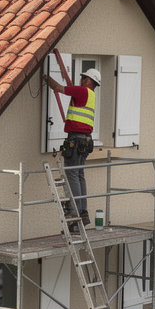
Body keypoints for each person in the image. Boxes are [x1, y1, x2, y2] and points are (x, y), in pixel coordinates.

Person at [44, 67, 101, 224]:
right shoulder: (91, 95)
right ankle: (83, 211)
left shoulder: (82, 91)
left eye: (84, 78)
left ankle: (75, 212)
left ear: (88, 81)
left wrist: (46, 77)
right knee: (80, 175)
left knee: (72, 174)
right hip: (86, 140)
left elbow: (57, 88)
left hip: (76, 140)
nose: (81, 80)